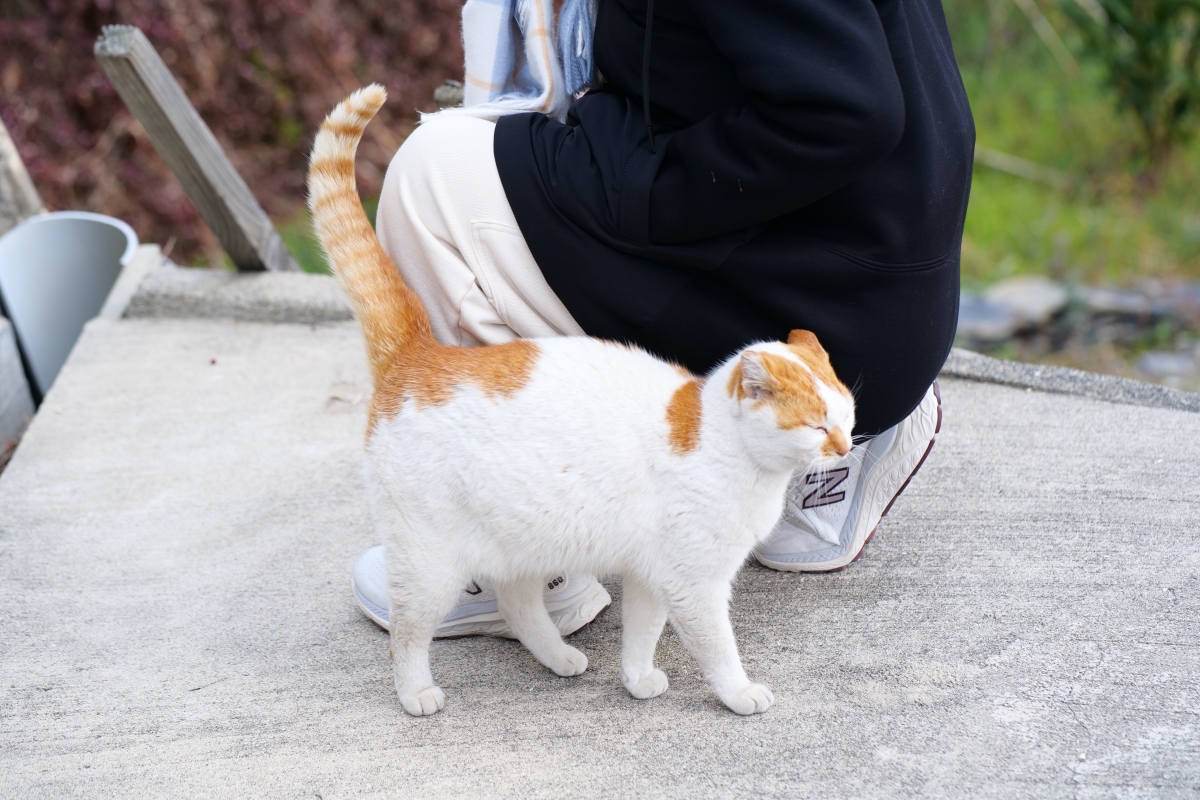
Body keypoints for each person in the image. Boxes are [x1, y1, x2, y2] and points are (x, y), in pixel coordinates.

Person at [351, 0, 973, 634]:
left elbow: (846, 111)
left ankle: (521, 560)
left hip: (828, 307)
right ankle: (831, 440)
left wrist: (639, 186)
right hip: (886, 290)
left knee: (433, 178)